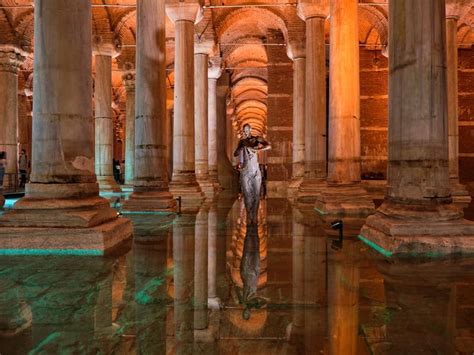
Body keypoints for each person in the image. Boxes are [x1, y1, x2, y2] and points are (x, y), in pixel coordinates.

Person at [233, 124, 271, 224]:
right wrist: (240, 147)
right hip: (245, 171)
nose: (245, 131)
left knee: (256, 194)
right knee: (247, 194)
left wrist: (257, 149)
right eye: (243, 130)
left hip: (255, 171)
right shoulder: (242, 141)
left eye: (246, 129)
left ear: (250, 129)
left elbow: (268, 146)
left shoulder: (257, 139)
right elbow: (235, 154)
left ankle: (254, 215)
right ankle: (249, 215)